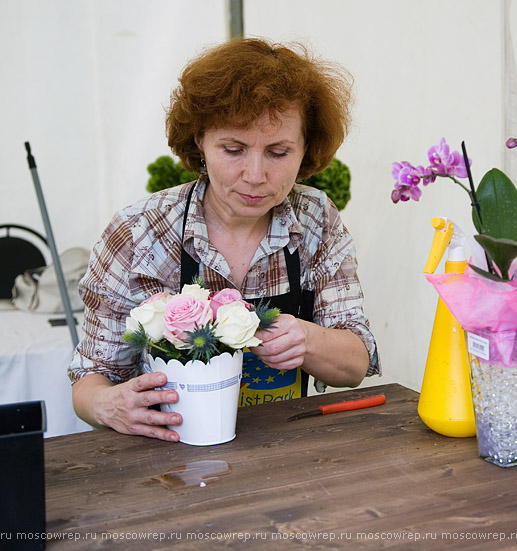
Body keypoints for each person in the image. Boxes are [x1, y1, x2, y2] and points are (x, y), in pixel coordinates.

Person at [68, 37, 380, 442]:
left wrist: (309, 339)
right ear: (200, 141)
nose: (254, 174)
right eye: (233, 149)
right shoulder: (139, 231)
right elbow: (88, 382)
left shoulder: (316, 219)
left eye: (278, 152)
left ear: (307, 149)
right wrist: (107, 405)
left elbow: (355, 365)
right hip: (168, 458)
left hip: (287, 449)